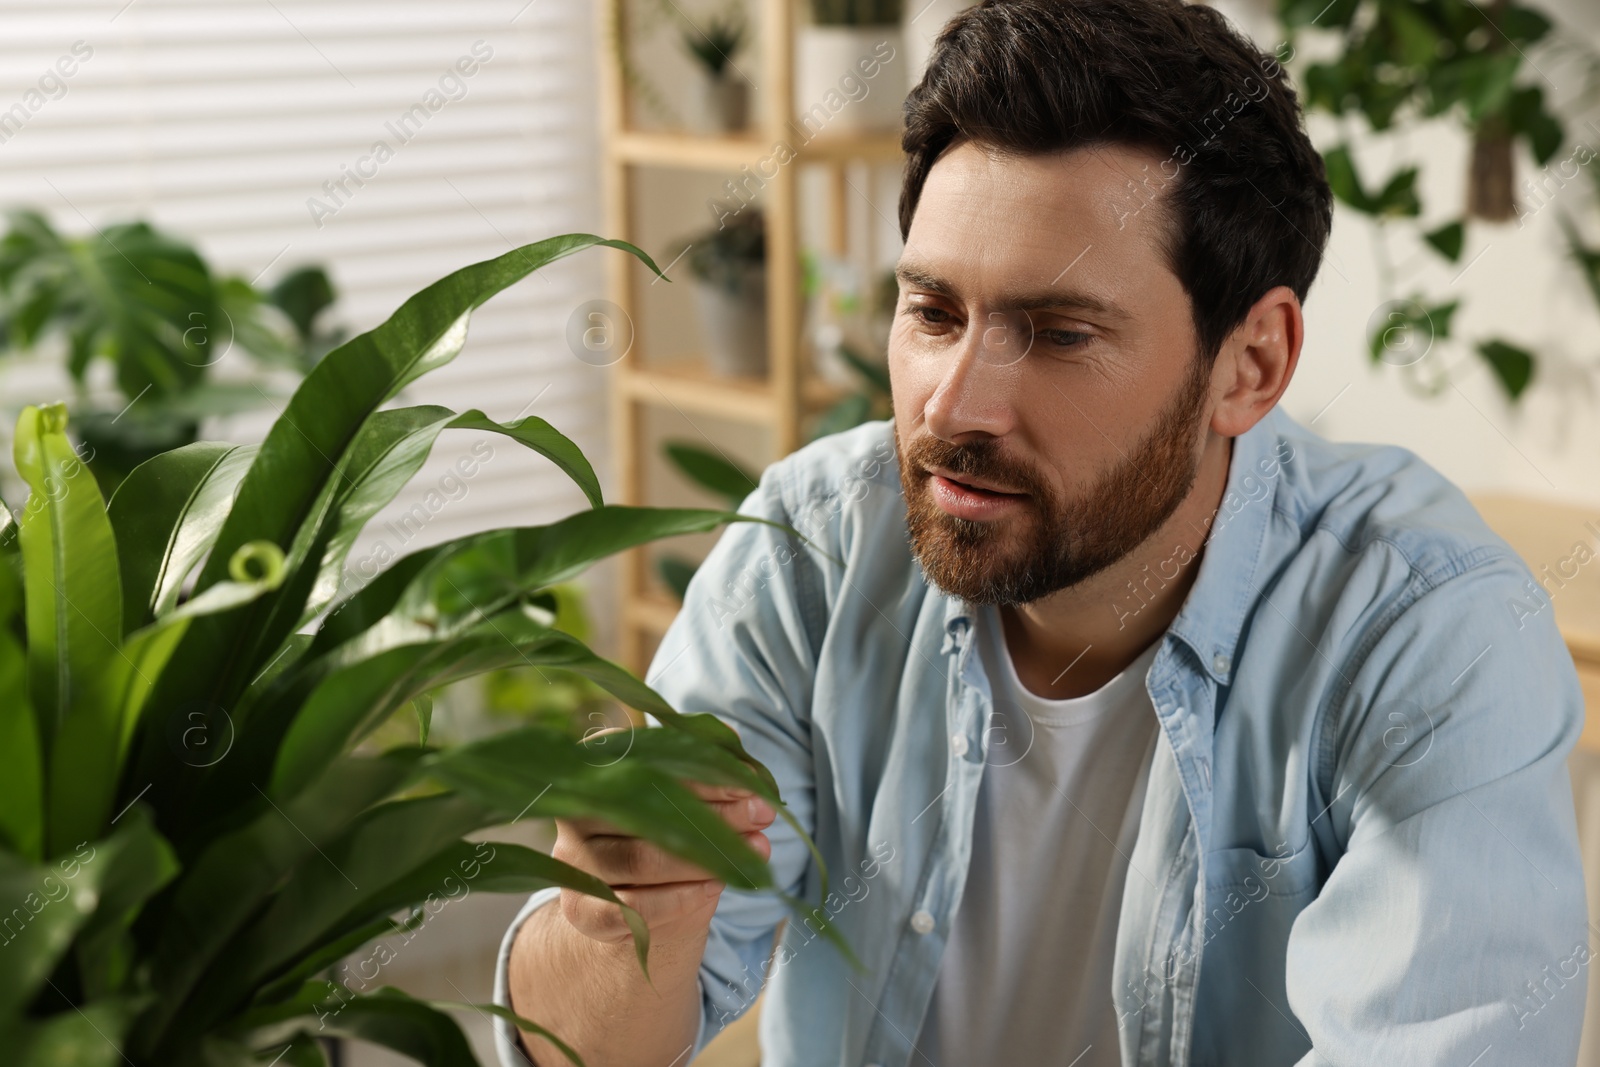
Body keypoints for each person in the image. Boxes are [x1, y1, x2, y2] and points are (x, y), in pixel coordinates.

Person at [494, 0, 1590, 1063]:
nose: (952, 406)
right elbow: (581, 1047)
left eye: (1059, 333)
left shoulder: (1430, 631)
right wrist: (622, 921)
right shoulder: (810, 549)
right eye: (932, 313)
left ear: (1249, 364)